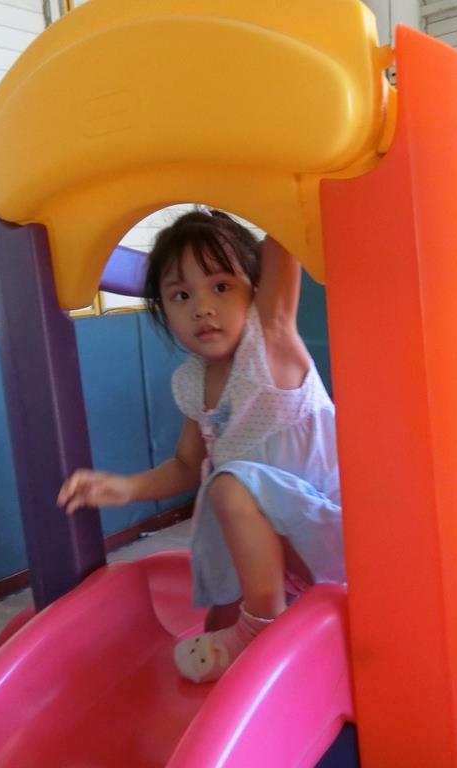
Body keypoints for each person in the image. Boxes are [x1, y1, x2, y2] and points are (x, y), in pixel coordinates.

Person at [57, 209, 344, 683]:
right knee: (216, 619)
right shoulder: (191, 383)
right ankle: (253, 632)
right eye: (181, 295)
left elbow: (284, 237)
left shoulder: (269, 341)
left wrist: (275, 192)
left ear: (256, 290)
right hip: (273, 547)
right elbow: (188, 464)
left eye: (221, 286)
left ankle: (262, 623)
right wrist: (126, 488)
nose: (202, 308)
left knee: (230, 487)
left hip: (329, 530)